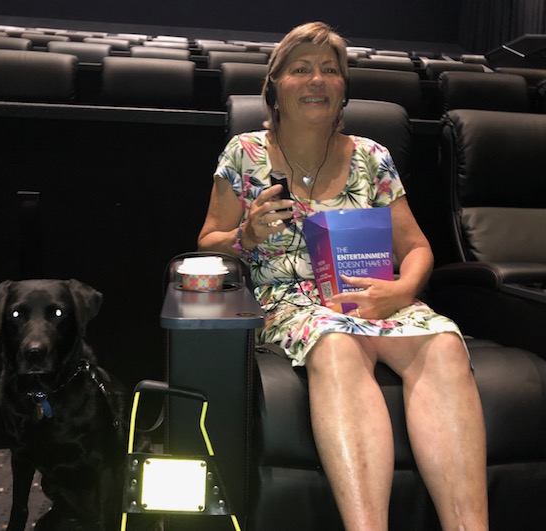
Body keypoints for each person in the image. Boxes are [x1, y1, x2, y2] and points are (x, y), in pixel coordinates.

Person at [197, 21, 488, 531]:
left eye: (330, 70)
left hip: (378, 295)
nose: (317, 80)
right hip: (293, 305)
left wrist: (402, 289)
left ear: (343, 89)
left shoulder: (373, 158)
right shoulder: (245, 154)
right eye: (301, 69)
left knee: (443, 344)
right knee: (334, 342)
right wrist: (246, 234)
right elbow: (207, 242)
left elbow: (417, 247)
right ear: (275, 88)